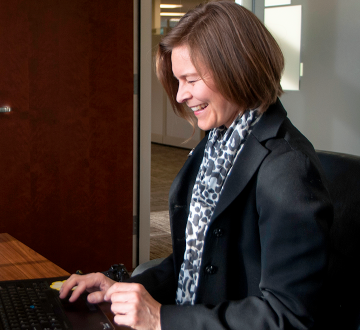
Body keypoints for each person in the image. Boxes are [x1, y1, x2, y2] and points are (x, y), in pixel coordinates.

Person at [59, 2, 332, 329]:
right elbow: (196, 260)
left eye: (190, 80)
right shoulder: (218, 144)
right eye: (178, 81)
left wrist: (162, 318)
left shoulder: (287, 167)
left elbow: (289, 316)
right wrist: (125, 287)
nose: (180, 96)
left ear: (237, 69)